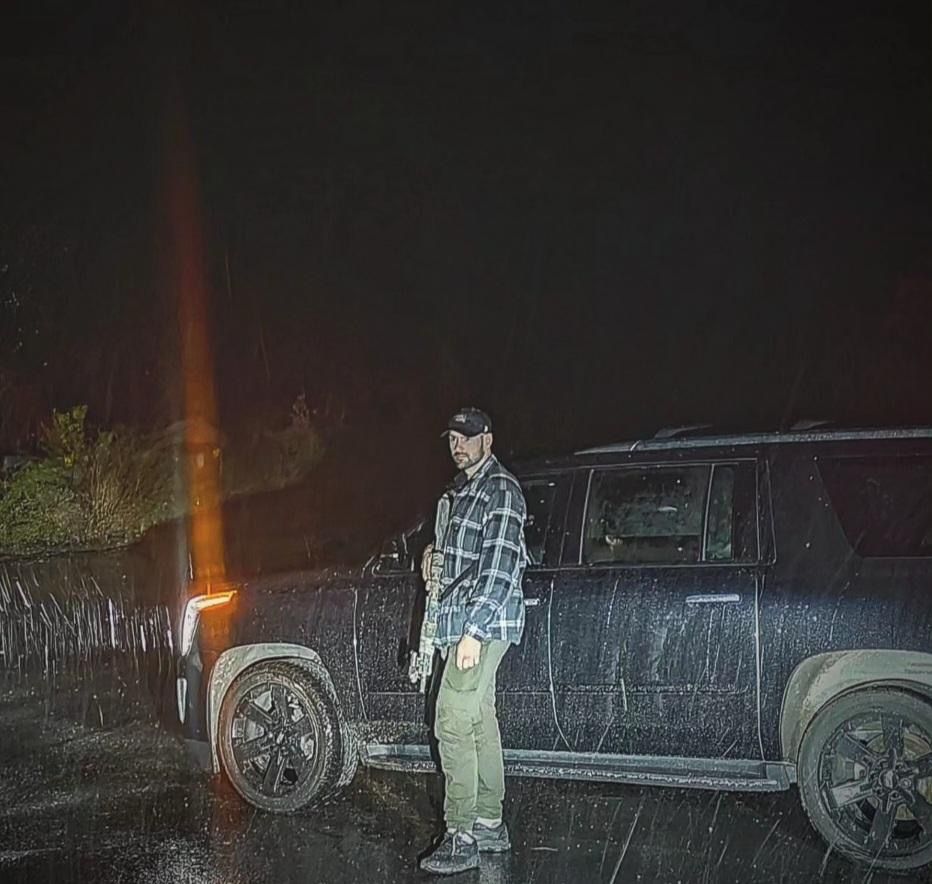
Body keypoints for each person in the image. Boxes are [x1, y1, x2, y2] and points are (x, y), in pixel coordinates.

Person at [419, 408, 528, 876]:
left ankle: (459, 832)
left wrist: (474, 632)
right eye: (452, 438)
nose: (457, 445)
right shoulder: (463, 492)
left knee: (451, 718)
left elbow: (501, 567)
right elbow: (459, 554)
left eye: (467, 437)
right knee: (480, 718)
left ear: (488, 439)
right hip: (459, 620)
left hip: (480, 624)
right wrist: (431, 555)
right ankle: (489, 823)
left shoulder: (500, 489)